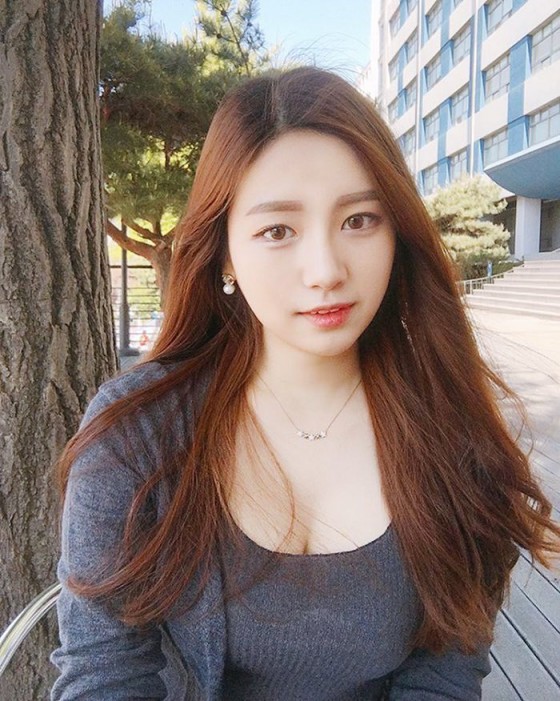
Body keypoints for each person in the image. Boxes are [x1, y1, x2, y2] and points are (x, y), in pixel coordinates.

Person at [50, 67, 560, 700]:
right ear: (225, 252)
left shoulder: (448, 425)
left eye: (360, 220)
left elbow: (445, 668)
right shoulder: (137, 430)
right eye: (277, 230)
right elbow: (105, 674)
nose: (325, 270)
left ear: (397, 233)